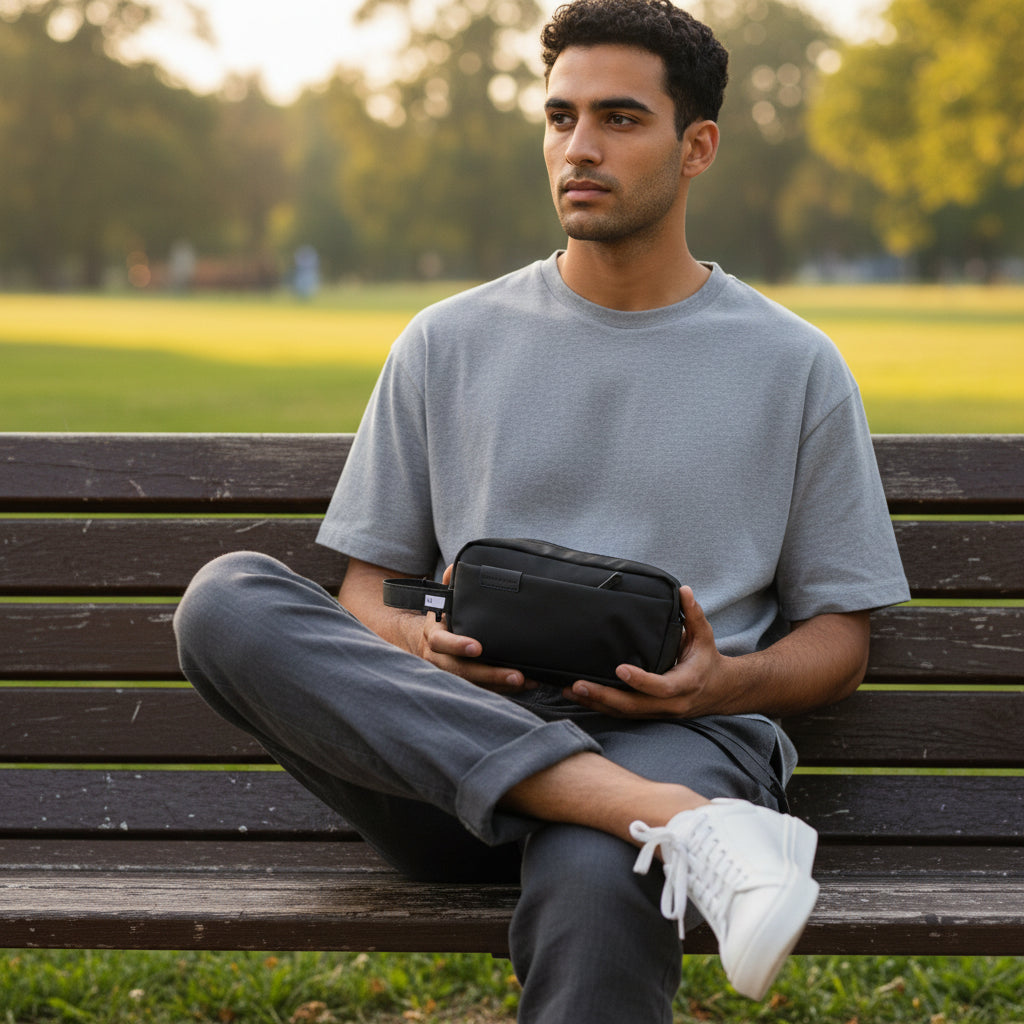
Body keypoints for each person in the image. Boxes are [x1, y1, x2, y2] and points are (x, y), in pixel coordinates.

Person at [173, 0, 910, 1020]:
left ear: (697, 146)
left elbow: (841, 640)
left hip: (675, 739)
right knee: (226, 601)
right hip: (448, 754)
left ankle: (650, 812)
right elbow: (364, 594)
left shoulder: (794, 365)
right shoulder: (444, 342)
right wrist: (423, 643)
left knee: (599, 870)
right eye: (561, 117)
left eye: (619, 118)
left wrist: (718, 684)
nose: (579, 147)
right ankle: (671, 822)